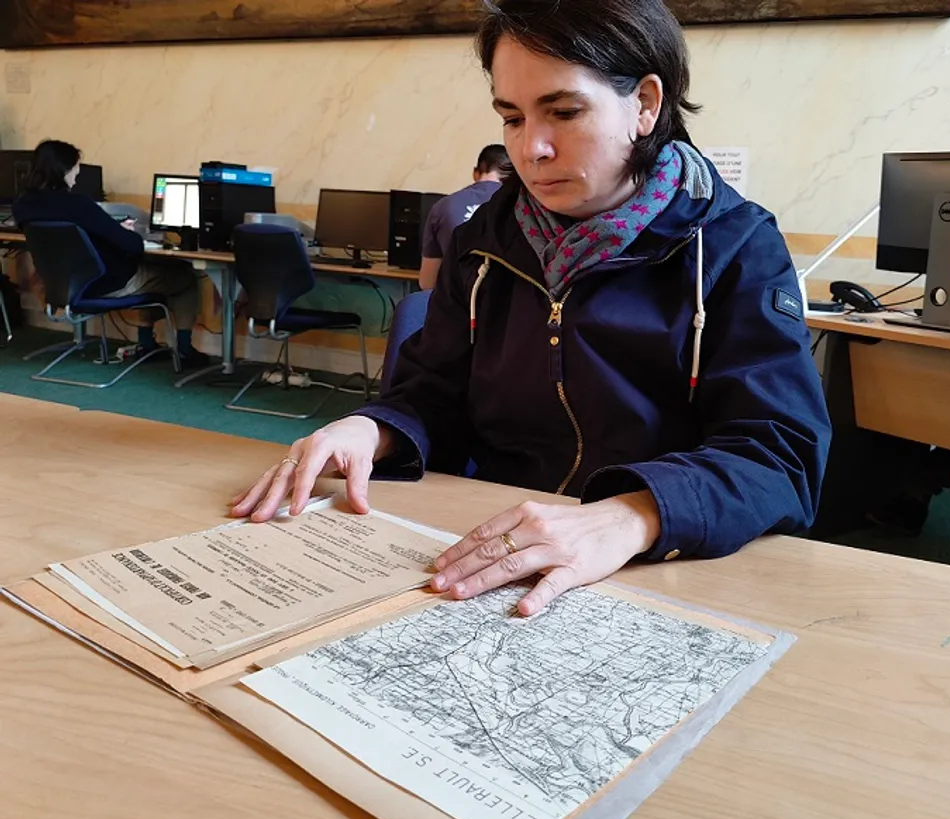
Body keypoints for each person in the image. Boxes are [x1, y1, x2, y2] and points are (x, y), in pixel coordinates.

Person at [232, 0, 832, 616]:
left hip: (660, 565)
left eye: (564, 111)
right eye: (511, 118)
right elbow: (433, 395)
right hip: (489, 547)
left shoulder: (734, 245)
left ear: (646, 105)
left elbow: (779, 455)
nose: (532, 149)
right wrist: (375, 428)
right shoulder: (484, 240)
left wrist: (632, 515)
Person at [13, 139, 209, 368]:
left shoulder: (23, 206)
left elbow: (69, 238)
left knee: (154, 274)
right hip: (105, 285)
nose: (78, 173)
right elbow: (132, 246)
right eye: (76, 167)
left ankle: (148, 344)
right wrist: (123, 232)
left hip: (60, 286)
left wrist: (109, 231)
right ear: (64, 169)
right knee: (183, 276)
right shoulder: (78, 204)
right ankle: (183, 349)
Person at [419, 144, 512, 290]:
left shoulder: (442, 206)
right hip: (503, 305)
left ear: (476, 173)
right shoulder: (520, 207)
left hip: (454, 304)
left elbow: (427, 282)